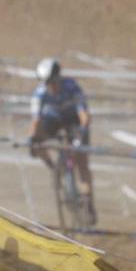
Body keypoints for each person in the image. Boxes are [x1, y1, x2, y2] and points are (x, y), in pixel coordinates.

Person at [28, 57, 95, 223]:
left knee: (81, 162)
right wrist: (32, 139)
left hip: (74, 122)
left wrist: (81, 132)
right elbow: (35, 121)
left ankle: (88, 201)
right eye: (47, 83)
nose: (51, 86)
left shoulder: (71, 87)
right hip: (53, 122)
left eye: (53, 82)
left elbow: (84, 115)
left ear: (58, 78)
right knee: (36, 140)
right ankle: (53, 167)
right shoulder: (40, 93)